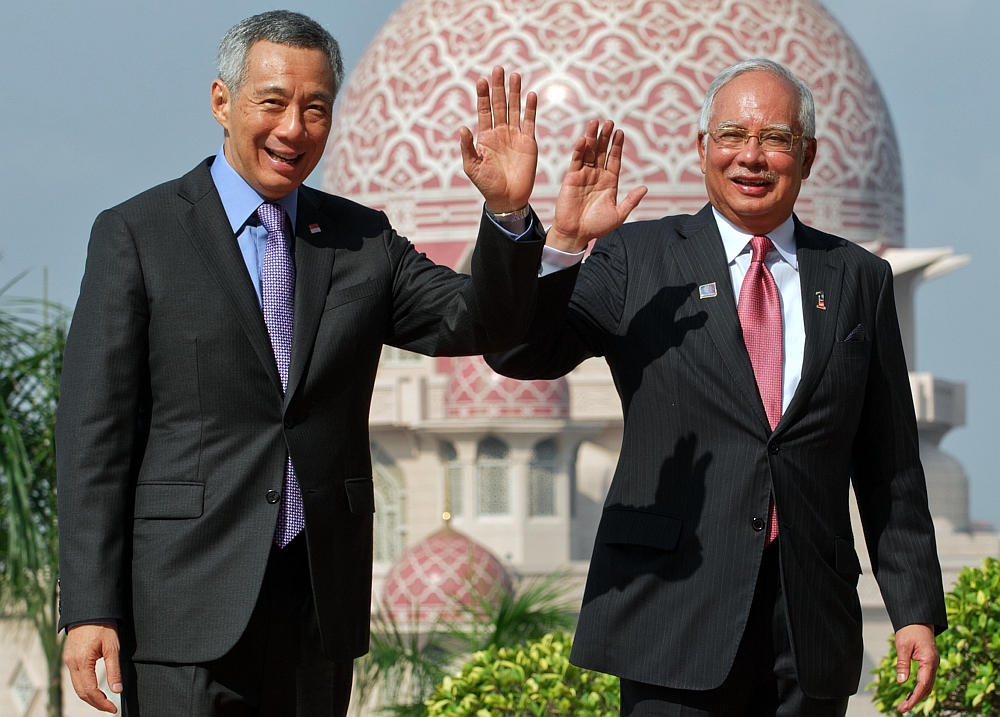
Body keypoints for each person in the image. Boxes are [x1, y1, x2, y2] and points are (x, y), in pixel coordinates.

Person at [55, 10, 643, 717]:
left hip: (315, 606)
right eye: (272, 102)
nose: (293, 129)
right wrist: (89, 606)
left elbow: (477, 321)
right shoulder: (140, 234)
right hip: (184, 604)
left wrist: (517, 220)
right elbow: (95, 435)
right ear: (221, 101)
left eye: (315, 109)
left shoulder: (360, 239)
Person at [487, 58, 947, 716]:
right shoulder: (637, 257)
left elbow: (890, 465)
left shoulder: (856, 278)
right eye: (732, 135)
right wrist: (561, 243)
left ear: (809, 156)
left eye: (775, 138)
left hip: (808, 624)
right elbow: (520, 352)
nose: (751, 156)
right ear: (701, 147)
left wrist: (914, 608)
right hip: (670, 612)